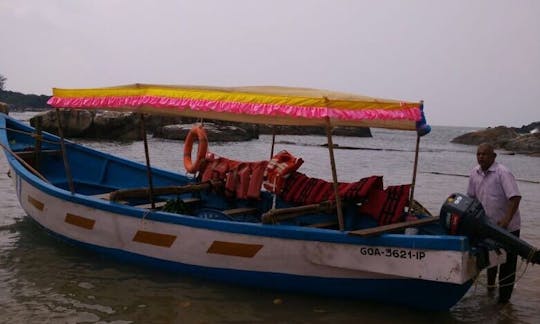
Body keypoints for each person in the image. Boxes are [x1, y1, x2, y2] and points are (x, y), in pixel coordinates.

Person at [467, 143, 522, 304]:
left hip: (508, 228)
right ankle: (490, 290)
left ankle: (504, 301)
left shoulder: (502, 173)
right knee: (490, 261)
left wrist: (506, 220)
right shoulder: (474, 173)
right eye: (478, 154)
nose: (481, 157)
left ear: (494, 156)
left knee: (507, 266)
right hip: (488, 227)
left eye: (484, 154)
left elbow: (515, 198)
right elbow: (471, 199)